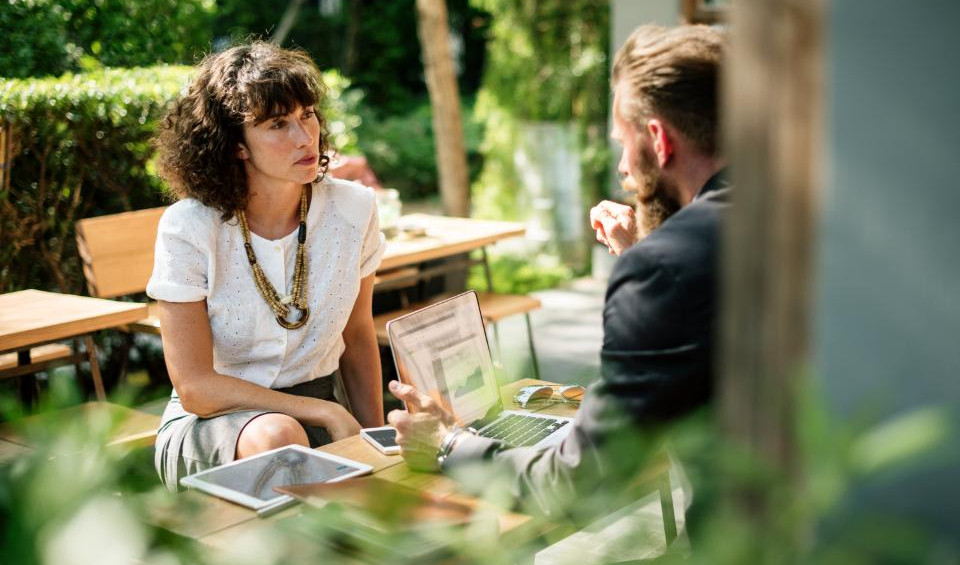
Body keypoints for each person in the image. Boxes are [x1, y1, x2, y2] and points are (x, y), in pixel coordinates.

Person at [387, 24, 729, 517]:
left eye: (623, 144)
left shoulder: (662, 269)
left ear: (658, 139)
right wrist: (648, 250)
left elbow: (579, 482)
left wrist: (447, 446)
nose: (623, 171)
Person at [148, 41, 385, 490]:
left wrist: (376, 441)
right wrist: (324, 411)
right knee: (280, 436)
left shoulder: (355, 209)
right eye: (278, 124)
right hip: (216, 424)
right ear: (237, 146)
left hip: (322, 413)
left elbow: (357, 336)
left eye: (308, 114)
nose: (304, 136)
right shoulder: (189, 227)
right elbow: (196, 387)